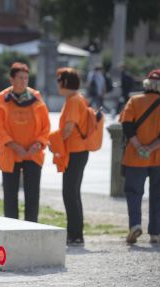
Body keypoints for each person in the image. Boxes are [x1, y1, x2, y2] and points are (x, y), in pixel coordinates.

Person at [120, 69, 160, 244]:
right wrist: (150, 148)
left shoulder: (134, 101)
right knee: (157, 194)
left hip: (135, 156)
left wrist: (140, 147)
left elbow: (127, 127)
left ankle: (135, 224)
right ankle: (155, 234)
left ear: (146, 83)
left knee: (134, 192)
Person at [0, 62, 50, 222]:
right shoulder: (2, 98)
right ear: (12, 79)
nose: (24, 81)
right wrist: (14, 146)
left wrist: (38, 144)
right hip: (11, 153)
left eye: (26, 78)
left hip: (33, 153)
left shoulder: (36, 97)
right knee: (10, 196)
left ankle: (31, 228)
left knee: (32, 195)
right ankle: (11, 228)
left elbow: (46, 126)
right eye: (20, 78)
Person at [55, 67, 91, 246]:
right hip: (77, 151)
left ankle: (75, 234)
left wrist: (55, 142)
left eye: (59, 80)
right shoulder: (76, 98)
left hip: (76, 151)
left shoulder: (73, 100)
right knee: (72, 192)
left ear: (65, 82)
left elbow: (69, 128)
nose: (57, 84)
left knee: (70, 192)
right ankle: (75, 233)